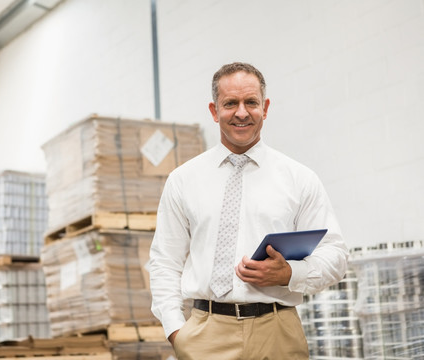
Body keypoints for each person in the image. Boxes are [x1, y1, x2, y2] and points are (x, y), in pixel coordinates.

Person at [148, 62, 349, 359]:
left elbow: (336, 255)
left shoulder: (299, 178)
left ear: (265, 108)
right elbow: (165, 261)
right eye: (230, 103)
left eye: (251, 102)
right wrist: (176, 331)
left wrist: (289, 273)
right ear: (214, 111)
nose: (242, 113)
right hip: (205, 334)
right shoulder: (183, 180)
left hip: (278, 331)